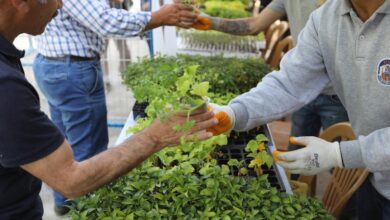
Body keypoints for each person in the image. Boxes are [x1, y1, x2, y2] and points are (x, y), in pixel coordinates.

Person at [0, 1, 216, 219]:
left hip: (55, 68)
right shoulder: (6, 88)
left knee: (62, 143)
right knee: (87, 151)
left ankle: (65, 208)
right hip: (72, 70)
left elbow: (45, 159)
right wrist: (157, 136)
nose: (60, 3)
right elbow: (71, 179)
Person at [206, 0, 390, 218]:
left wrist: (338, 154)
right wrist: (234, 113)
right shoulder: (326, 19)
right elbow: (289, 83)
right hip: (377, 180)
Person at [191, 0, 349, 180]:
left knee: (344, 172)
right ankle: (295, 189)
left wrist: (339, 154)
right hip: (301, 90)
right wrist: (233, 113)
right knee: (297, 154)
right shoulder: (321, 18)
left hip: (338, 95)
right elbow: (255, 25)